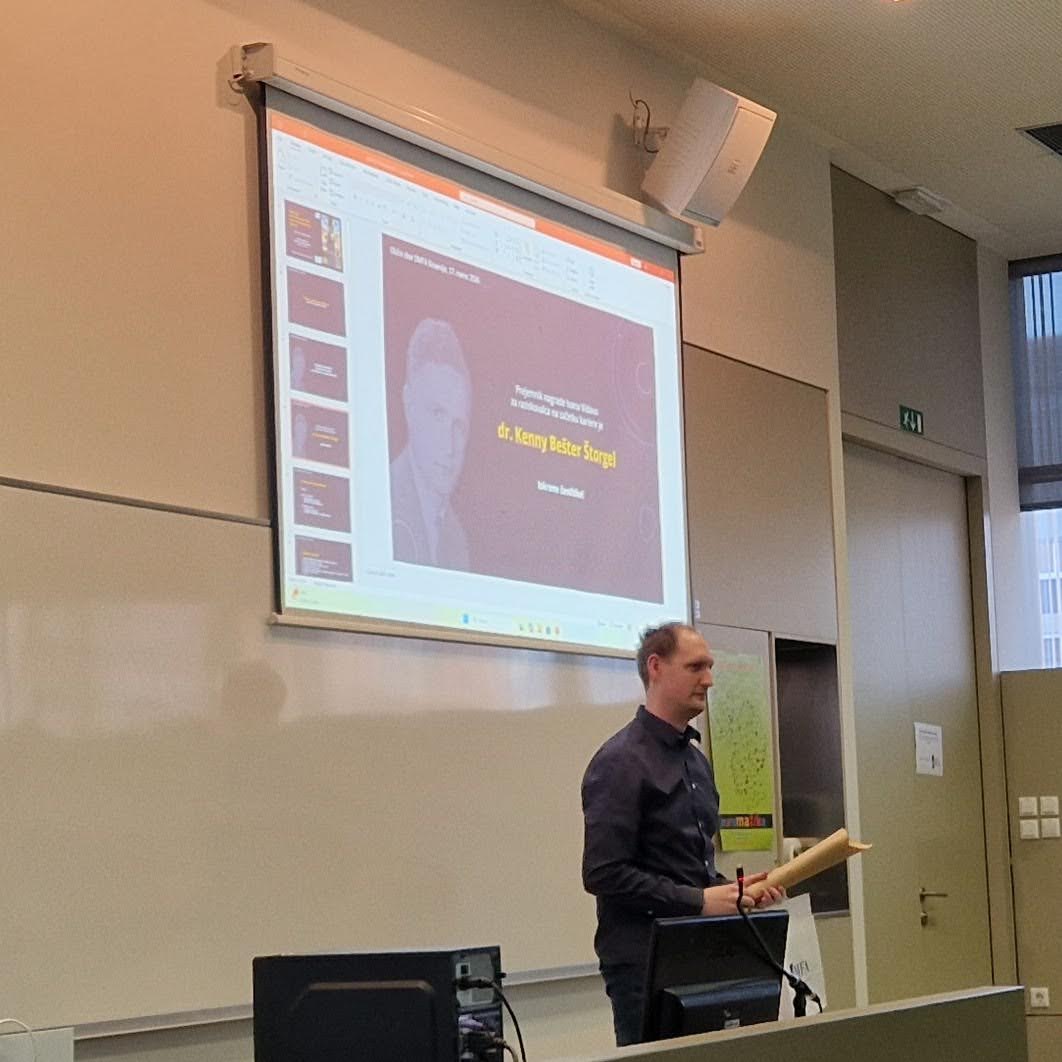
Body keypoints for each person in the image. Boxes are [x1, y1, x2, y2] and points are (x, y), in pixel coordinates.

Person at [581, 621, 785, 1046]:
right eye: (696, 667)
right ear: (656, 667)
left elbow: (691, 869)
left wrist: (735, 893)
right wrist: (700, 901)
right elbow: (604, 873)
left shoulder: (696, 763)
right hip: (645, 965)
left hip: (701, 953)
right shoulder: (620, 761)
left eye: (710, 667)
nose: (709, 680)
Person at [389, 317, 471, 570]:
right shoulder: (382, 500)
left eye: (459, 426)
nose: (450, 446)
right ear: (409, 405)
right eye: (438, 415)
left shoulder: (457, 537)